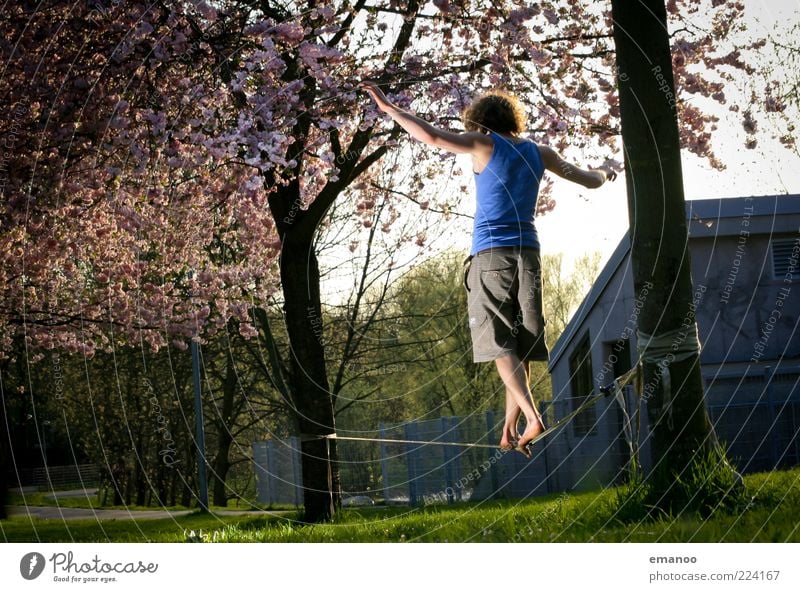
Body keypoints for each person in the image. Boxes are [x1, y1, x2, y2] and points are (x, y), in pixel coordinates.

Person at [359, 81, 616, 457]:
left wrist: (388, 109)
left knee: (497, 343)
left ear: (479, 123)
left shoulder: (484, 144)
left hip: (491, 256)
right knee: (518, 345)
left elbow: (431, 136)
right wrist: (606, 174)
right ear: (514, 119)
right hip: (528, 255)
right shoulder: (540, 152)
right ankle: (511, 424)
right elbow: (589, 180)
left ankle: (532, 417)